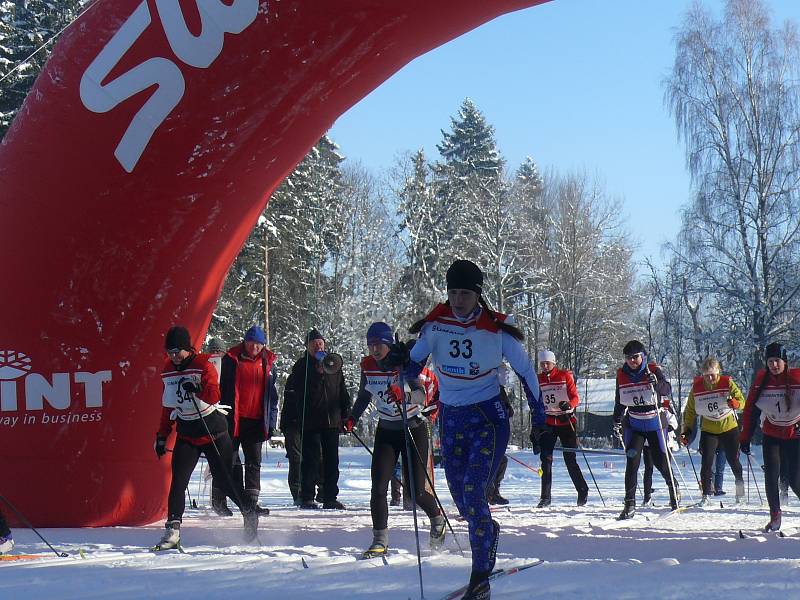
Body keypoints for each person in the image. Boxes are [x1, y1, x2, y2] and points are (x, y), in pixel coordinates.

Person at [392, 259, 544, 600]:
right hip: (452, 418)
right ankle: (487, 532)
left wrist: (540, 418)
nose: (458, 300)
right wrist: (402, 365)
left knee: (475, 492)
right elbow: (412, 367)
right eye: (453, 293)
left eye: (465, 293)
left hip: (488, 419)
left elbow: (527, 372)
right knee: (462, 501)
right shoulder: (436, 327)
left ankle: (480, 577)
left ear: (478, 295)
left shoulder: (497, 331)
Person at [344, 322, 445, 557]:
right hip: (387, 430)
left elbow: (422, 396)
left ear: (389, 343)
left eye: (379, 344)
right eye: (370, 345)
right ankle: (379, 540)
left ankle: (437, 520)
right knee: (378, 487)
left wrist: (405, 394)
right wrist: (352, 418)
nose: (374, 349)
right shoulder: (368, 366)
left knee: (415, 491)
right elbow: (364, 395)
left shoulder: (404, 363)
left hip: (412, 428)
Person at [155, 326, 258, 549]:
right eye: (169, 352)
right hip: (187, 434)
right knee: (178, 483)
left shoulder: (203, 364)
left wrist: (198, 387)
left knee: (224, 481)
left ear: (187, 349)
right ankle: (172, 531)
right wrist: (162, 436)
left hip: (213, 432)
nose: (174, 357)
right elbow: (167, 406)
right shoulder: (168, 369)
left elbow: (214, 396)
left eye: (177, 352)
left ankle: (248, 510)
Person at [212, 326, 279, 517]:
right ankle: (219, 500)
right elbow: (218, 386)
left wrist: (271, 422)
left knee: (253, 463)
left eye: (258, 344)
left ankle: (250, 504)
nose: (254, 347)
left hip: (257, 420)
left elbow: (272, 397)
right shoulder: (231, 360)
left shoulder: (268, 363)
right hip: (232, 418)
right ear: (245, 342)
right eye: (251, 343)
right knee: (227, 460)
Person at [284, 329, 351, 509]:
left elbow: (342, 391)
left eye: (320, 343)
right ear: (308, 347)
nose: (318, 346)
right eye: (314, 344)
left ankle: (330, 497)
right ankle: (307, 496)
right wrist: (316, 373)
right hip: (311, 421)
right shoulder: (301, 366)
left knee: (331, 461)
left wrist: (346, 414)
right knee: (310, 460)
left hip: (332, 421)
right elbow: (298, 391)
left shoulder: (334, 365)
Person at [613, 340, 679, 520]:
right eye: (628, 358)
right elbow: (619, 399)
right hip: (635, 423)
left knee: (660, 461)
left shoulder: (652, 370)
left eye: (636, 357)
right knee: (632, 461)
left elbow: (667, 389)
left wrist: (657, 383)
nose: (632, 361)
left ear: (643, 356)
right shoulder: (622, 374)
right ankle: (629, 504)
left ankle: (674, 490)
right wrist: (617, 419)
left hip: (654, 422)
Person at [740, 342, 800, 531]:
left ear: (785, 362)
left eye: (777, 361)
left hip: (794, 434)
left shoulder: (796, 377)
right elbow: (750, 409)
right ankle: (775, 516)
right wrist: (745, 437)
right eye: (770, 361)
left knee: (795, 479)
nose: (774, 365)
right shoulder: (761, 379)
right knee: (771, 475)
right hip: (772, 434)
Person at [680, 357, 745, 505]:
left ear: (719, 372)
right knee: (706, 462)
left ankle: (740, 492)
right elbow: (690, 411)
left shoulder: (727, 382)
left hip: (729, 427)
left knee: (733, 461)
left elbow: (742, 402)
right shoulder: (697, 387)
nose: (710, 378)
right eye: (707, 375)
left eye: (713, 375)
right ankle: (706, 495)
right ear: (703, 374)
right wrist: (686, 432)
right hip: (709, 429)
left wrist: (736, 403)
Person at [535, 350, 589, 508]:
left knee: (569, 458)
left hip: (566, 421)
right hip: (549, 422)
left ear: (554, 363)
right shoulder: (538, 379)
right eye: (542, 363)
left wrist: (569, 405)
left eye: (548, 363)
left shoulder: (564, 375)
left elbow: (575, 397)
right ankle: (545, 497)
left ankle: (582, 490)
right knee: (546, 459)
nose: (545, 366)